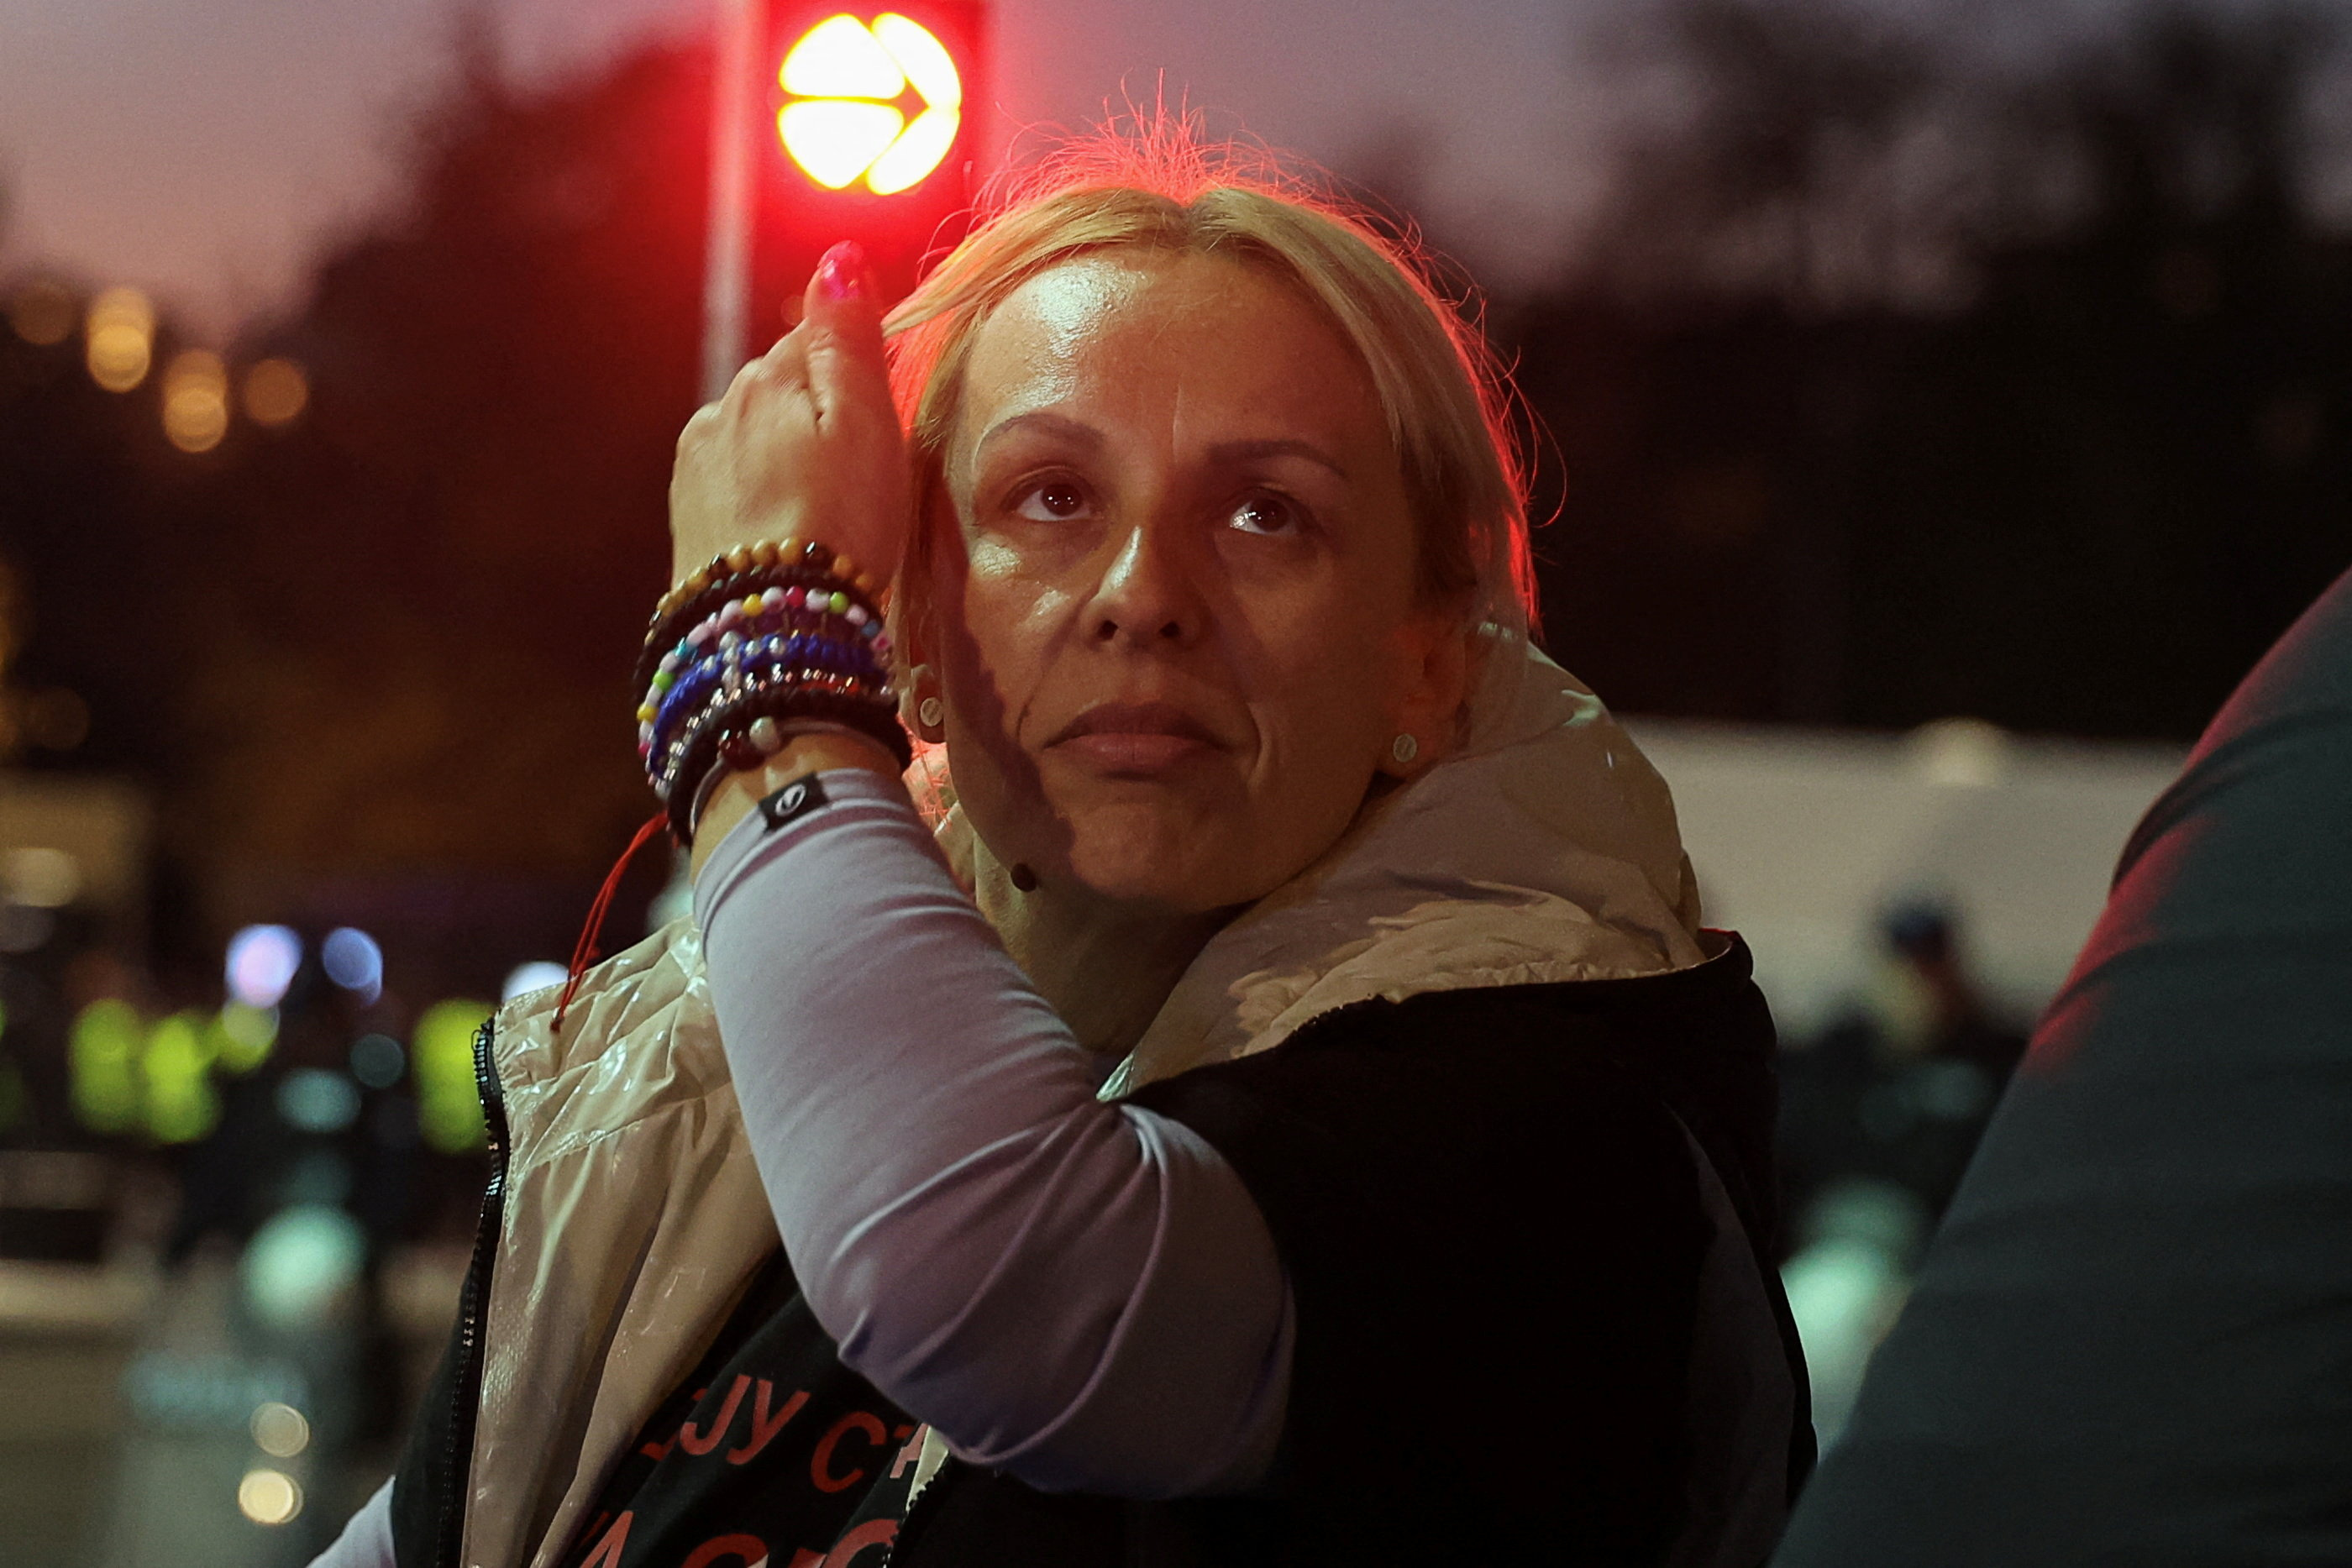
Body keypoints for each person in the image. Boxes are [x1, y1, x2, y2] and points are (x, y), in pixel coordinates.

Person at [312, 131, 1809, 1568]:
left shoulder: (1551, 1127)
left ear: (1427, 665)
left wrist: (760, 690)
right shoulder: (708, 1099)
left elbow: (1008, 1287)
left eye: (1268, 512)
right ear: (910, 626)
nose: (1145, 593)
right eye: (1051, 496)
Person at [1772, 567, 2352, 1565]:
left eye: (1930, 958)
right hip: (1841, 1274)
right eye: (1903, 958)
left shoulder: (1995, 1051)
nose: (1917, 980)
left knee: (1842, 1328)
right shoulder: (1840, 1053)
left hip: (1907, 1281)